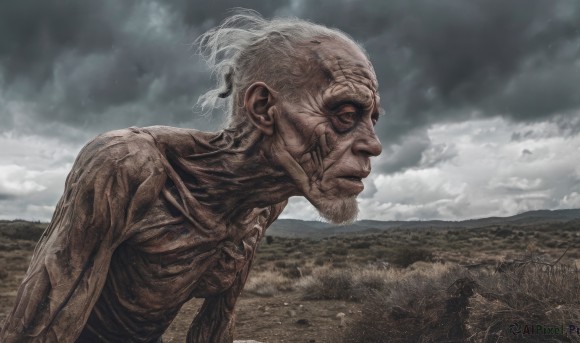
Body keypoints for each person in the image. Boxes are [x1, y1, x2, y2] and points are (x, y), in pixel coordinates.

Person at [1, 10, 382, 343]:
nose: (374, 145)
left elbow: (215, 325)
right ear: (263, 107)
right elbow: (39, 323)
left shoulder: (264, 202)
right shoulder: (129, 165)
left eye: (372, 119)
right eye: (345, 115)